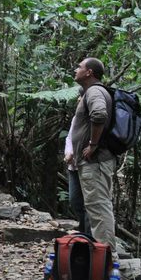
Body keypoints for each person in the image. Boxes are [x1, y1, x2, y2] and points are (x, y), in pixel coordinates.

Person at [70, 57, 116, 256]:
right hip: (92, 163)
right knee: (95, 207)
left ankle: (106, 258)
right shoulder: (89, 92)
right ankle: (100, 256)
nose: (76, 69)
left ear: (89, 72)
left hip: (95, 163)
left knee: (98, 207)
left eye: (79, 67)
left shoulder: (95, 91)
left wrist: (93, 145)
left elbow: (99, 114)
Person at [64, 95, 91, 236]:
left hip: (88, 164)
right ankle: (82, 229)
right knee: (75, 200)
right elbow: (70, 137)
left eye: (82, 97)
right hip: (74, 166)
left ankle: (88, 236)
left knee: (89, 203)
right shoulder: (76, 118)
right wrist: (69, 153)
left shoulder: (92, 118)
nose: (79, 100)